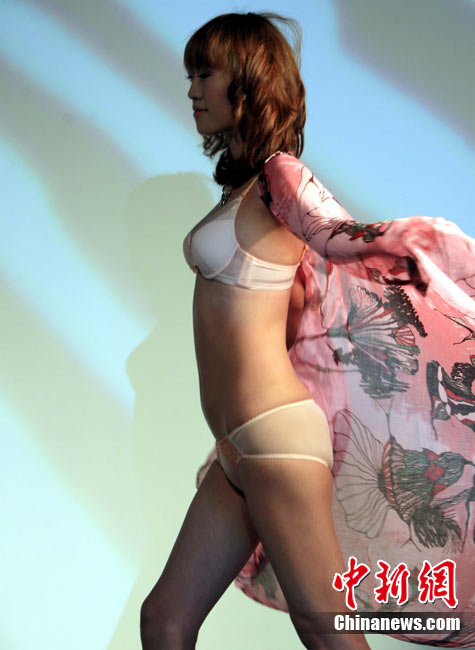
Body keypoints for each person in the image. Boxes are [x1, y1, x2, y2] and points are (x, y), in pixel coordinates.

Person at [140, 12, 475, 650]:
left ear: (247, 81)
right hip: (236, 446)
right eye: (190, 76)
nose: (192, 91)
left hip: (274, 437)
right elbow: (291, 314)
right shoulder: (242, 191)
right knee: (164, 622)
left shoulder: (281, 177)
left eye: (205, 74)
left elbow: (343, 238)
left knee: (325, 627)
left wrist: (436, 251)